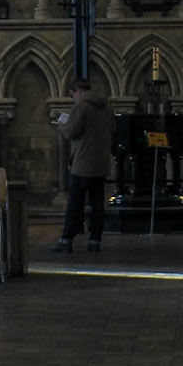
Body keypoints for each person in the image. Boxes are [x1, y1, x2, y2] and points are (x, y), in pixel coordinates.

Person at [55, 77, 115, 253]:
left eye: (72, 94)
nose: (73, 97)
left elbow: (71, 131)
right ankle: (95, 240)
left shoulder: (81, 106)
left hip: (83, 163)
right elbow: (112, 129)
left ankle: (66, 240)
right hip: (101, 162)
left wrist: (62, 125)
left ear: (78, 91)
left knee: (75, 203)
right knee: (97, 204)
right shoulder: (107, 107)